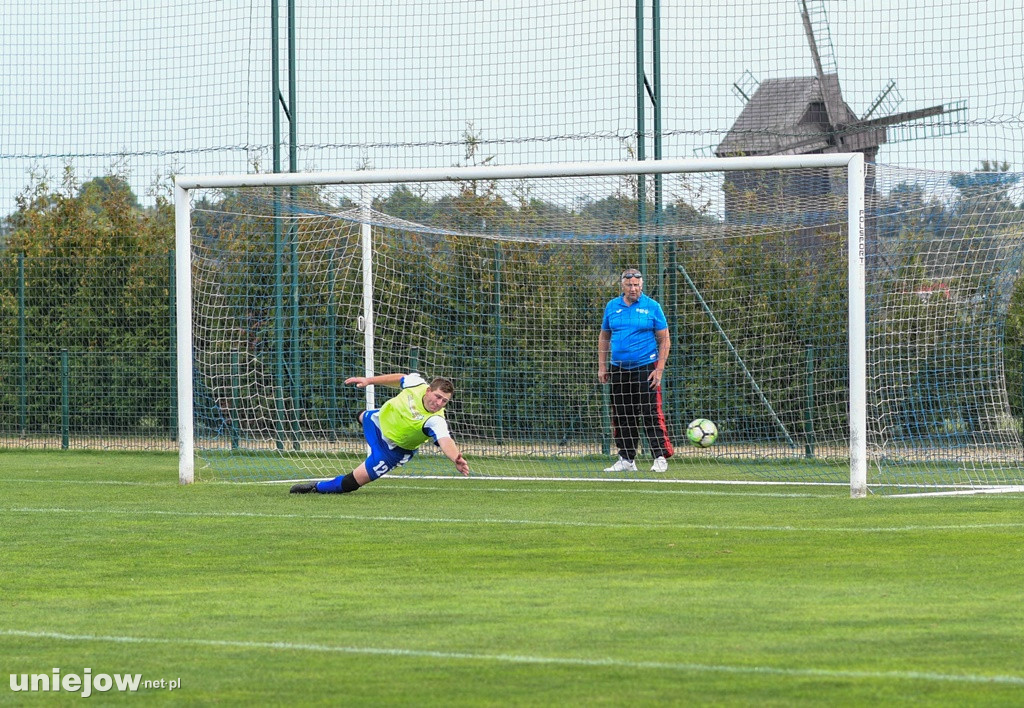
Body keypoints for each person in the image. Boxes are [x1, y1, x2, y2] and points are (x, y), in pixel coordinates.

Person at [290, 372, 470, 494]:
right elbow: (400, 377)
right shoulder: (417, 384)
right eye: (437, 397)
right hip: (377, 421)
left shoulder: (436, 420)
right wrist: (369, 381)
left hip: (392, 450)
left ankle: (317, 488)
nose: (439, 403)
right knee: (360, 415)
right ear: (428, 390)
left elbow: (445, 440)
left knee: (350, 484)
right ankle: (363, 417)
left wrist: (455, 458)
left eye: (444, 401)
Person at [598, 268, 674, 472]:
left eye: (637, 285)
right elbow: (604, 336)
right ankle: (626, 459)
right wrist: (602, 366)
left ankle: (659, 457)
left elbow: (665, 339)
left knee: (650, 413)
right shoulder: (612, 307)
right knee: (623, 414)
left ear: (642, 286)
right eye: (630, 285)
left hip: (645, 368)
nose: (633, 289)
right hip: (619, 368)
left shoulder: (652, 307)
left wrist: (659, 370)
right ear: (622, 285)